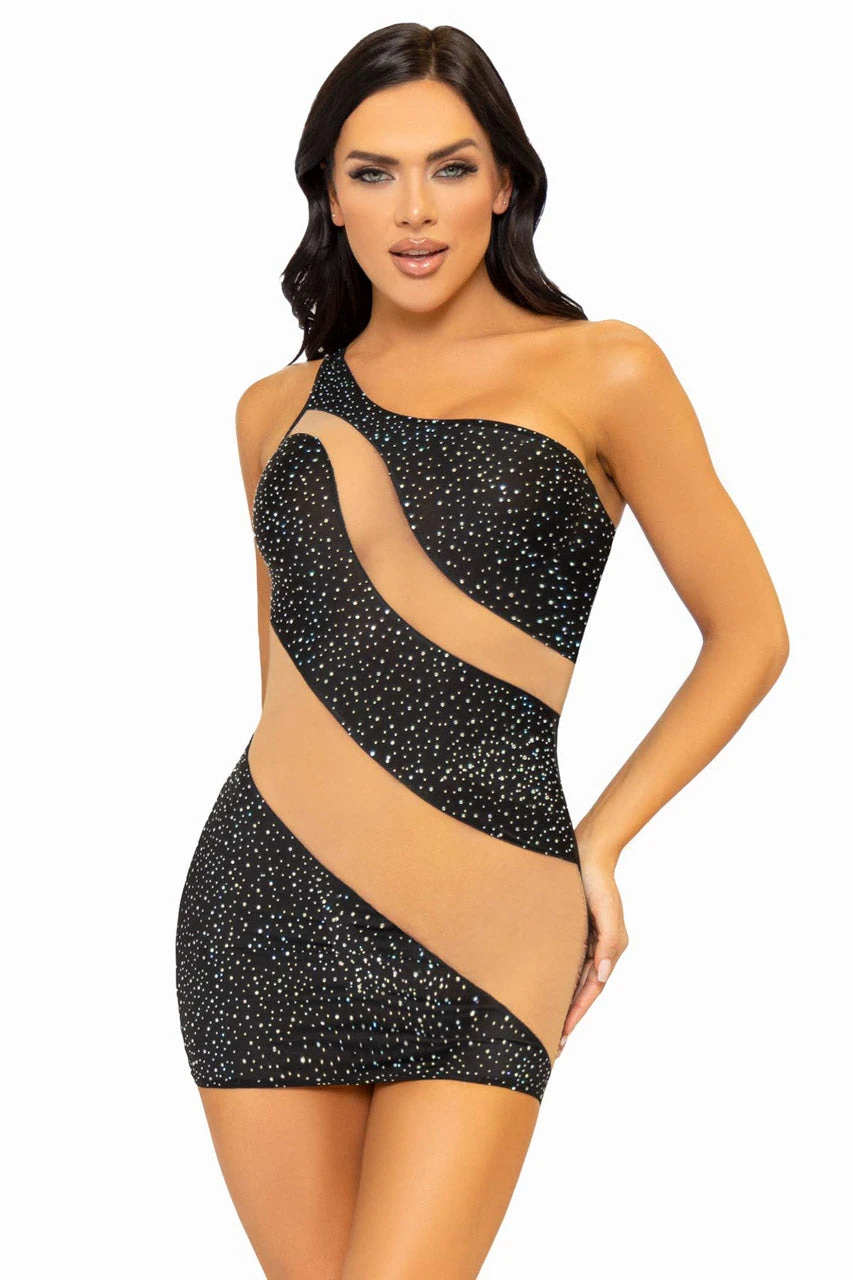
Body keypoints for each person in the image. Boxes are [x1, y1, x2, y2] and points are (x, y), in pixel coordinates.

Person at [174, 22, 789, 1279]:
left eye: (450, 168)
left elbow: (750, 634)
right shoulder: (272, 410)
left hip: (489, 922)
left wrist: (597, 844)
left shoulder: (605, 369)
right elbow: (284, 682)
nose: (414, 209)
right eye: (373, 172)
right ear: (329, 196)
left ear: (503, 182)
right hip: (263, 912)